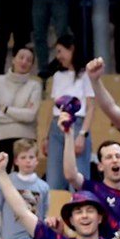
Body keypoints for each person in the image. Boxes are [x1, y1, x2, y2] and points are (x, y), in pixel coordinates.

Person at [0, 139, 49, 239]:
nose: (28, 160)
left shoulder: (43, 187)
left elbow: (43, 214)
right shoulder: (5, 182)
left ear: (37, 160)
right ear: (16, 160)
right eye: (23, 157)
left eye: (31, 157)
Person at [45, 36, 93, 192]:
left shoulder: (86, 74)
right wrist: (46, 136)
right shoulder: (58, 76)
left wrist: (82, 134)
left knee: (78, 180)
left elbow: (91, 107)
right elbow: (52, 108)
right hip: (56, 126)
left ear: (71, 49)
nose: (58, 56)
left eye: (60, 51)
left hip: (78, 124)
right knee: (53, 182)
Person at [0, 45, 44, 158]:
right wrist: (20, 116)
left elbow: (30, 116)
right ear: (13, 59)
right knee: (0, 174)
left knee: (23, 173)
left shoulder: (35, 85)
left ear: (32, 66)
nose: (24, 62)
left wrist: (6, 109)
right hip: (0, 137)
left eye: (29, 60)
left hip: (26, 139)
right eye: (21, 57)